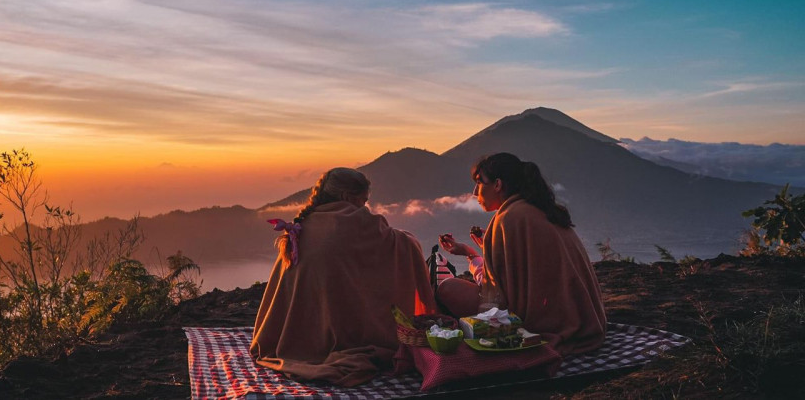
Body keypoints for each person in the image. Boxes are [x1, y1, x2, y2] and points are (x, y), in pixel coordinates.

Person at [251, 167, 436, 386]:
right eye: (364, 201)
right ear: (348, 197)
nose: (365, 206)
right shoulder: (357, 220)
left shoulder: (304, 224)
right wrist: (409, 240)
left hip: (301, 334)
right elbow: (398, 247)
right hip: (342, 332)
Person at [437, 153, 606, 355]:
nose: (475, 192)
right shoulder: (541, 209)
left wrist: (472, 257)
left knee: (448, 287)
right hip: (581, 318)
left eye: (480, 183)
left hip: (541, 322)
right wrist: (483, 249)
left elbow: (495, 296)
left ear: (498, 184)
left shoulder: (507, 219)